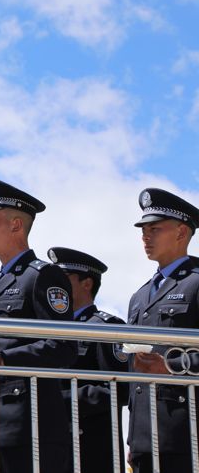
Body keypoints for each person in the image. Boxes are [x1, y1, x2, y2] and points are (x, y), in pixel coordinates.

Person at [0, 178, 77, 473]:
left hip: (31, 428)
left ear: (16, 225)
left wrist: (3, 359)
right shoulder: (1, 280)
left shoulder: (42, 275)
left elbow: (63, 346)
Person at [126, 188, 199, 473]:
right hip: (145, 438)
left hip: (188, 435)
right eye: (144, 230)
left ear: (181, 232)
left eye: (155, 229)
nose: (146, 237)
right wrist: (134, 438)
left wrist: (170, 367)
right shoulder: (139, 296)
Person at [48, 246, 128, 473]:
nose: (55, 285)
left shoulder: (106, 327)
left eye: (63, 278)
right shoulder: (48, 329)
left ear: (87, 283)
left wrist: (57, 400)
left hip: (91, 450)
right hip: (52, 447)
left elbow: (120, 390)